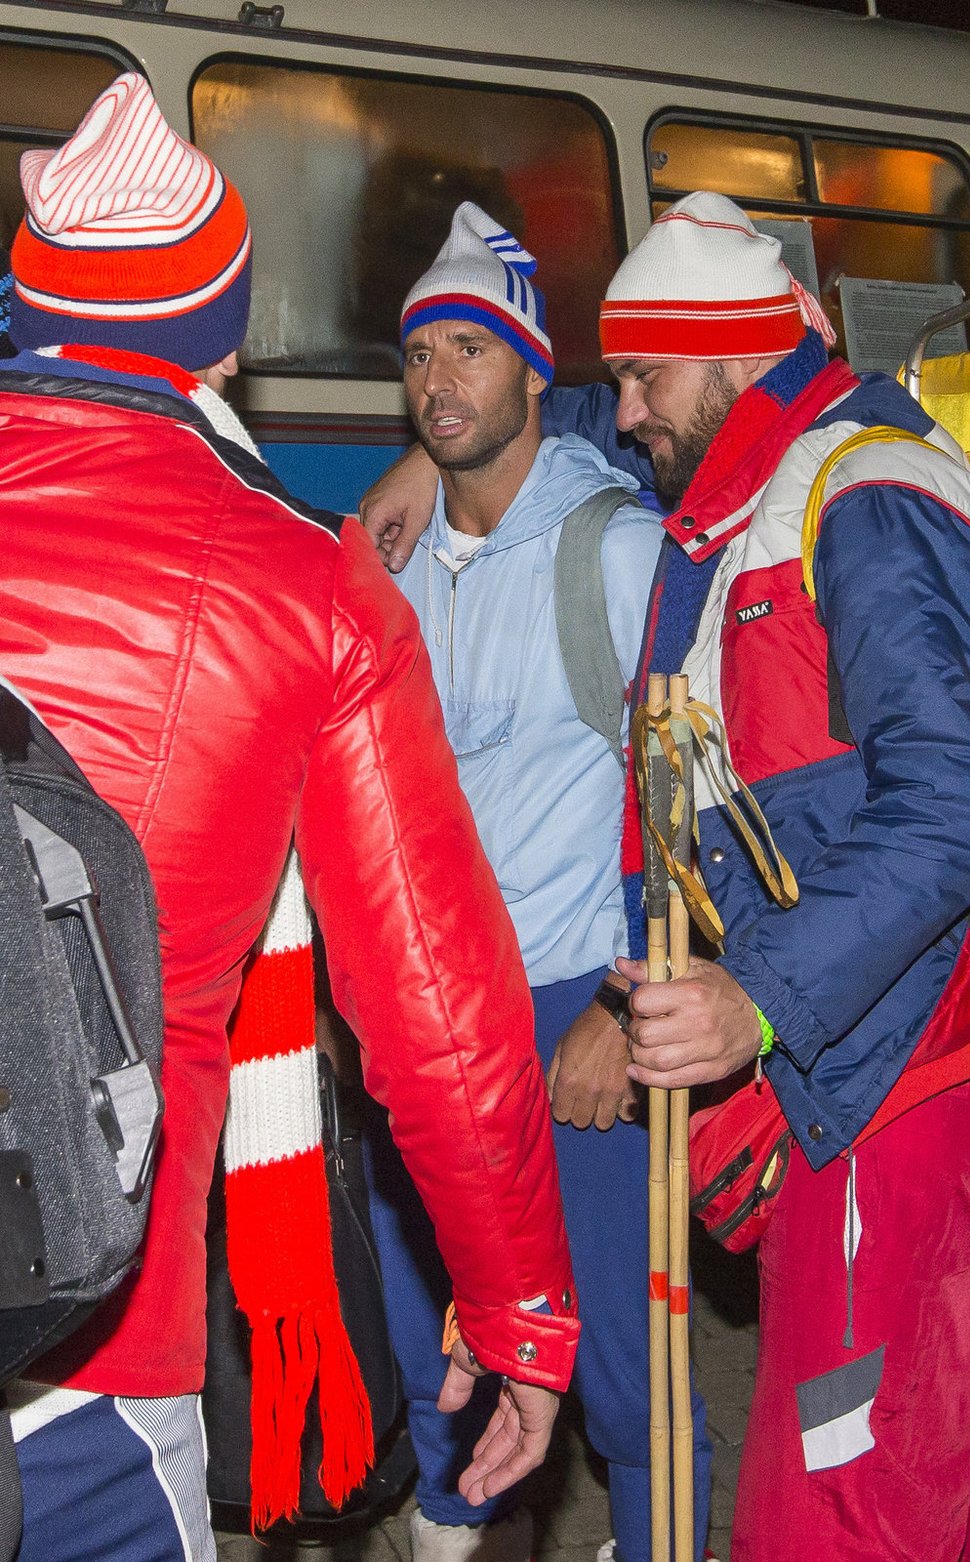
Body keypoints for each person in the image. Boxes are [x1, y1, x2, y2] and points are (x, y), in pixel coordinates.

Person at [0, 73, 580, 1561]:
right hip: (89, 1351)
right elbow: (435, 1009)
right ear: (225, 339)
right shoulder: (309, 589)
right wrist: (516, 1302)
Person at [363, 189, 970, 1562]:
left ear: (735, 359)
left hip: (896, 1089)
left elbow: (951, 802)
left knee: (855, 1499)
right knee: (799, 1497)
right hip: (841, 1080)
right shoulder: (753, 478)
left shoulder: (859, 496)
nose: (623, 407)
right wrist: (427, 457)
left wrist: (751, 998)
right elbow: (561, 416)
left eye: (641, 375)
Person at [360, 202, 712, 1562]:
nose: (440, 381)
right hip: (428, 1026)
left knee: (628, 1379)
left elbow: (693, 810)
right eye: (420, 356)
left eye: (469, 351)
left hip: (573, 1004)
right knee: (434, 1352)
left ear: (531, 369)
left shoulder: (613, 551)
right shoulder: (384, 570)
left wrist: (633, 1009)